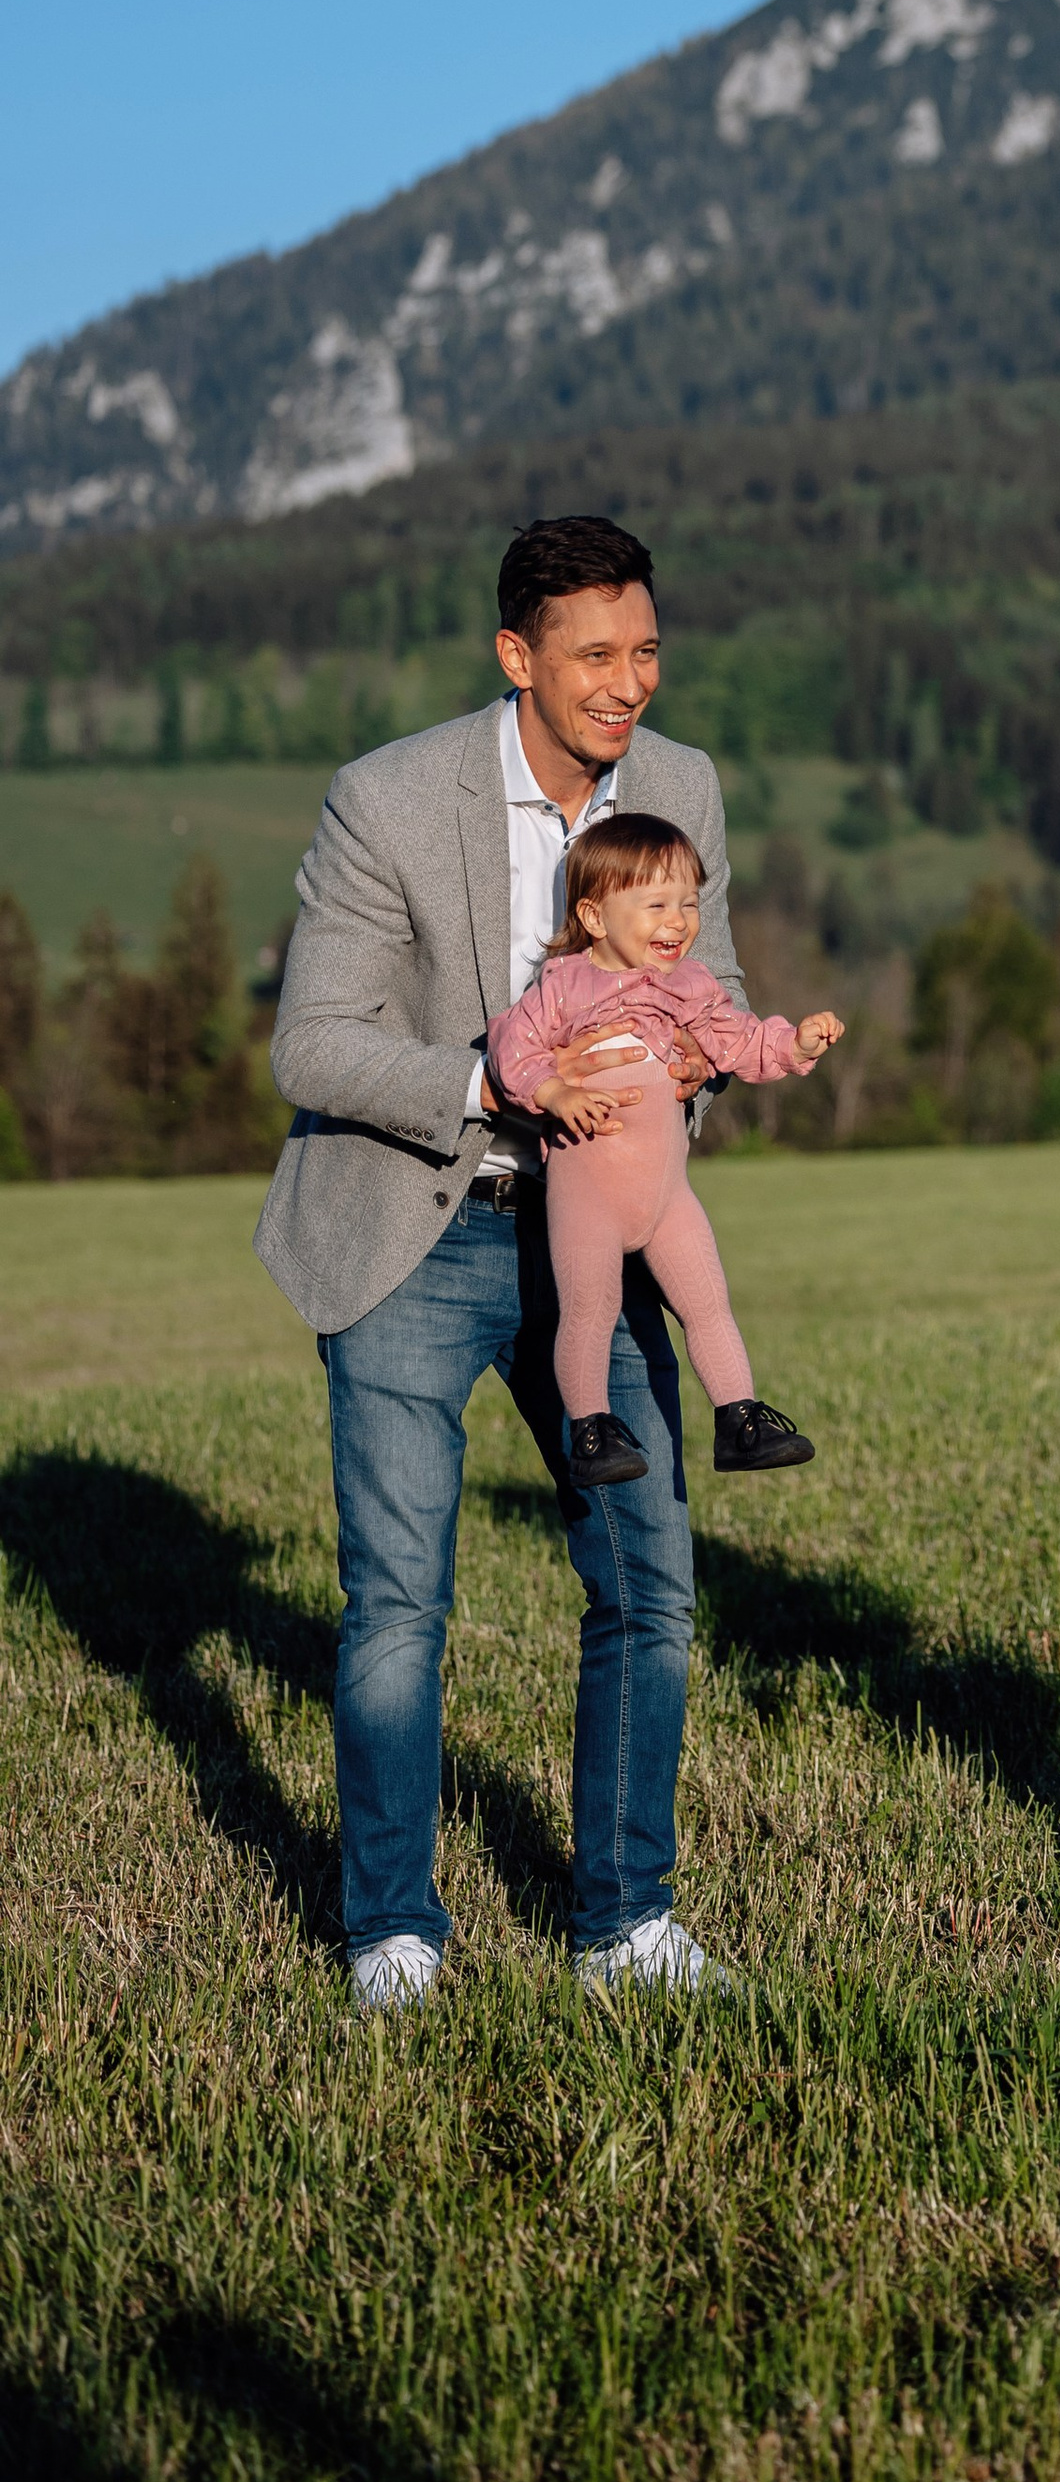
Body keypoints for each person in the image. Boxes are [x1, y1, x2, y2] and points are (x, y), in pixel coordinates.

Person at [258, 513, 750, 2012]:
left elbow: (714, 992)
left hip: (594, 1240)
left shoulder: (682, 791)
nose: (629, 682)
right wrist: (504, 1083)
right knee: (400, 1600)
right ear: (516, 655)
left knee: (650, 1580)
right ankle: (393, 1928)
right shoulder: (389, 800)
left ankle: (625, 1919)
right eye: (596, 654)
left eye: (647, 648)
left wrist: (699, 1065)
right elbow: (315, 1043)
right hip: (417, 1227)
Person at [490, 810, 840, 1487]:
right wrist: (554, 1094)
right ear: (594, 916)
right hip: (587, 1193)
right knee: (588, 1310)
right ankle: (590, 1430)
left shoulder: (692, 988)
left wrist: (792, 1045)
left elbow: (737, 1041)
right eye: (655, 905)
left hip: (666, 1196)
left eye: (688, 902)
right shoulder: (564, 986)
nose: (677, 920)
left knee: (708, 1303)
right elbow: (512, 1052)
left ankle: (739, 1419)